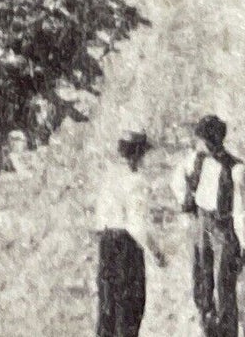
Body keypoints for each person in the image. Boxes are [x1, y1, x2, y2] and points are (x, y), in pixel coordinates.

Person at [172, 114, 245, 337]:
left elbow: (241, 209)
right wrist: (185, 200)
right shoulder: (196, 160)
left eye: (209, 139)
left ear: (218, 140)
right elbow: (177, 179)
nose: (206, 144)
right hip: (201, 225)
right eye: (205, 139)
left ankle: (226, 332)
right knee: (202, 283)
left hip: (224, 228)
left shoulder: (236, 169)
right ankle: (207, 328)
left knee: (224, 286)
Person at [94, 129, 164, 337]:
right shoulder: (137, 181)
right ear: (137, 154)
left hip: (107, 243)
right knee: (129, 310)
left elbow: (100, 219)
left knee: (108, 309)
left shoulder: (109, 176)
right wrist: (156, 252)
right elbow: (137, 225)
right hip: (127, 247)